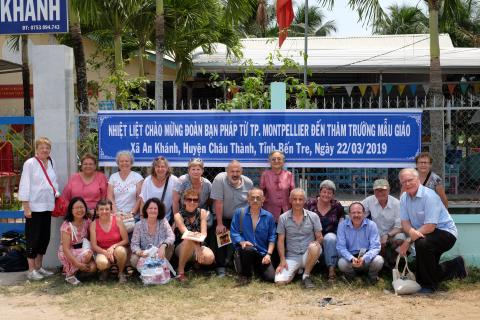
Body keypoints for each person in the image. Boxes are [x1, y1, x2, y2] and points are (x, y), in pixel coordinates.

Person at [398, 168, 467, 294]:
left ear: (418, 179)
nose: (407, 184)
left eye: (410, 180)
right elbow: (405, 223)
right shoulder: (404, 198)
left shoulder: (429, 196)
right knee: (429, 269)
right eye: (404, 182)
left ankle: (428, 286)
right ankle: (456, 266)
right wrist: (411, 232)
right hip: (424, 233)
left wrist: (409, 239)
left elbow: (430, 226)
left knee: (422, 243)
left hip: (445, 233)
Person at [18, 137, 58, 280]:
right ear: (37, 148)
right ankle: (31, 270)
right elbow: (25, 184)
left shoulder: (51, 162)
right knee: (33, 238)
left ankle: (39, 267)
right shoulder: (30, 163)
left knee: (44, 238)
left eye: (47, 147)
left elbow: (53, 181)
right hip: (34, 207)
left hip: (47, 206)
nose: (45, 150)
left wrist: (56, 194)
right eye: (42, 147)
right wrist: (26, 207)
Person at [211, 160, 253, 276]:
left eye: (237, 171)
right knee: (222, 233)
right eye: (232, 171)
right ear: (227, 172)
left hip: (240, 219)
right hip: (223, 216)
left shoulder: (248, 183)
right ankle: (221, 266)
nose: (235, 174)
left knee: (239, 235)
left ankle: (233, 263)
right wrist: (219, 223)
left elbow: (250, 203)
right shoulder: (220, 179)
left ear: (242, 172)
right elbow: (218, 202)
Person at [275, 188, 323, 289]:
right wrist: (282, 260)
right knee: (280, 281)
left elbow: (320, 237)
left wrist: (315, 244)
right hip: (292, 256)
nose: (297, 202)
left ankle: (306, 276)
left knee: (314, 247)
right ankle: (297, 270)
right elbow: (280, 241)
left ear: (304, 201)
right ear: (290, 200)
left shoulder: (313, 216)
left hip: (308, 254)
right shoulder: (283, 218)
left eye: (300, 199)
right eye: (294, 199)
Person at [230, 188, 276, 285]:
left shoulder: (269, 217)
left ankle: (255, 268)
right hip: (245, 251)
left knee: (271, 278)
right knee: (248, 249)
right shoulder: (240, 213)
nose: (255, 200)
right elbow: (234, 232)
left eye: (258, 198)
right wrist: (242, 242)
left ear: (263, 199)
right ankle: (245, 276)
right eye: (252, 198)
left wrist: (268, 255)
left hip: (262, 253)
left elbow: (272, 237)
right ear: (248, 199)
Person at [304, 179, 345, 281]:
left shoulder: (337, 206)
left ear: (333, 195)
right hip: (313, 237)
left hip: (330, 239)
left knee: (330, 238)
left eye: (329, 193)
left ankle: (331, 269)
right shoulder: (310, 204)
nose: (326, 195)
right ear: (319, 192)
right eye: (324, 192)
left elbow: (342, 220)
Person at [173, 189, 215, 282]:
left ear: (198, 202)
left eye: (195, 200)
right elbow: (186, 234)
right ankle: (180, 271)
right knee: (188, 240)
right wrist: (197, 247)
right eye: (189, 199)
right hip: (182, 246)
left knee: (210, 258)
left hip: (199, 244)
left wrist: (198, 246)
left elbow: (204, 233)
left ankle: (194, 265)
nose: (192, 202)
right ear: (184, 201)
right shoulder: (178, 216)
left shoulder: (202, 212)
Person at [336, 202, 384, 283]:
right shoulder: (342, 226)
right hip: (351, 260)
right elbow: (341, 247)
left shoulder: (371, 225)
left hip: (366, 259)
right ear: (349, 214)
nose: (356, 215)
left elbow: (376, 246)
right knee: (342, 263)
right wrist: (351, 258)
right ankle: (352, 278)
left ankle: (372, 278)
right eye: (353, 213)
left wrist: (364, 258)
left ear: (364, 214)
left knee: (378, 260)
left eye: (359, 212)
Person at [362, 179, 405, 266]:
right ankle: (382, 262)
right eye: (377, 190)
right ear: (374, 191)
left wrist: (388, 235)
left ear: (389, 190)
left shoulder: (397, 204)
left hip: (392, 234)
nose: (380, 193)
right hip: (375, 234)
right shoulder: (368, 201)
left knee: (401, 238)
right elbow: (359, 214)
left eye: (383, 190)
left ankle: (393, 259)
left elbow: (400, 227)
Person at [58, 197, 96, 285]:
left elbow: (90, 239)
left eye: (82, 207)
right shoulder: (66, 225)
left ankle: (76, 272)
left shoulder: (87, 221)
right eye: (76, 208)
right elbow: (66, 249)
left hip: (83, 250)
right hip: (67, 252)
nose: (80, 210)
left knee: (93, 268)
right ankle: (70, 275)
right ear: (71, 210)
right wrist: (78, 264)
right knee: (87, 254)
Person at [90, 199, 129, 283]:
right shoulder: (93, 224)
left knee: (120, 251)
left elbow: (126, 240)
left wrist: (113, 247)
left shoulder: (118, 220)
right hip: (102, 250)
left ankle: (121, 272)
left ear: (111, 210)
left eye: (107, 209)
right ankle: (105, 270)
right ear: (97, 211)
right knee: (101, 263)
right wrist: (105, 252)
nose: (104, 211)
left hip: (117, 249)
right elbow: (94, 245)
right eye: (101, 209)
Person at [130, 198, 175, 271]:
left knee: (170, 246)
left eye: (155, 208)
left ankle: (159, 269)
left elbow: (171, 236)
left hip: (160, 253)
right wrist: (140, 252)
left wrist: (163, 245)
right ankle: (148, 272)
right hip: (145, 255)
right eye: (150, 208)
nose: (153, 210)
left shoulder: (163, 221)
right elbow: (134, 244)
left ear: (159, 210)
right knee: (134, 259)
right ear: (146, 210)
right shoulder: (139, 225)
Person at [140, 156, 179, 222]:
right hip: (149, 219)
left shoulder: (174, 180)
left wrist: (176, 221)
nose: (160, 169)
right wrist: (142, 219)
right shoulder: (147, 180)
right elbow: (143, 201)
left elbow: (175, 202)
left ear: (167, 168)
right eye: (158, 166)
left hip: (166, 220)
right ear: (154, 168)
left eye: (163, 166)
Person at [260, 150, 295, 222]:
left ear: (283, 161)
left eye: (279, 159)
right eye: (273, 159)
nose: (276, 161)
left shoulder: (289, 174)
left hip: (286, 211)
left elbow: (293, 194)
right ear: (270, 161)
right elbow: (261, 193)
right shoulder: (265, 175)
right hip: (269, 211)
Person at [107, 150, 143, 218]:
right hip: (116, 216)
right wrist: (116, 213)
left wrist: (132, 213)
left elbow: (139, 198)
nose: (124, 163)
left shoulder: (138, 177)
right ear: (118, 163)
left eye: (126, 161)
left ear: (131, 163)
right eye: (121, 161)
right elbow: (110, 197)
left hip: (132, 217)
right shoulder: (113, 177)